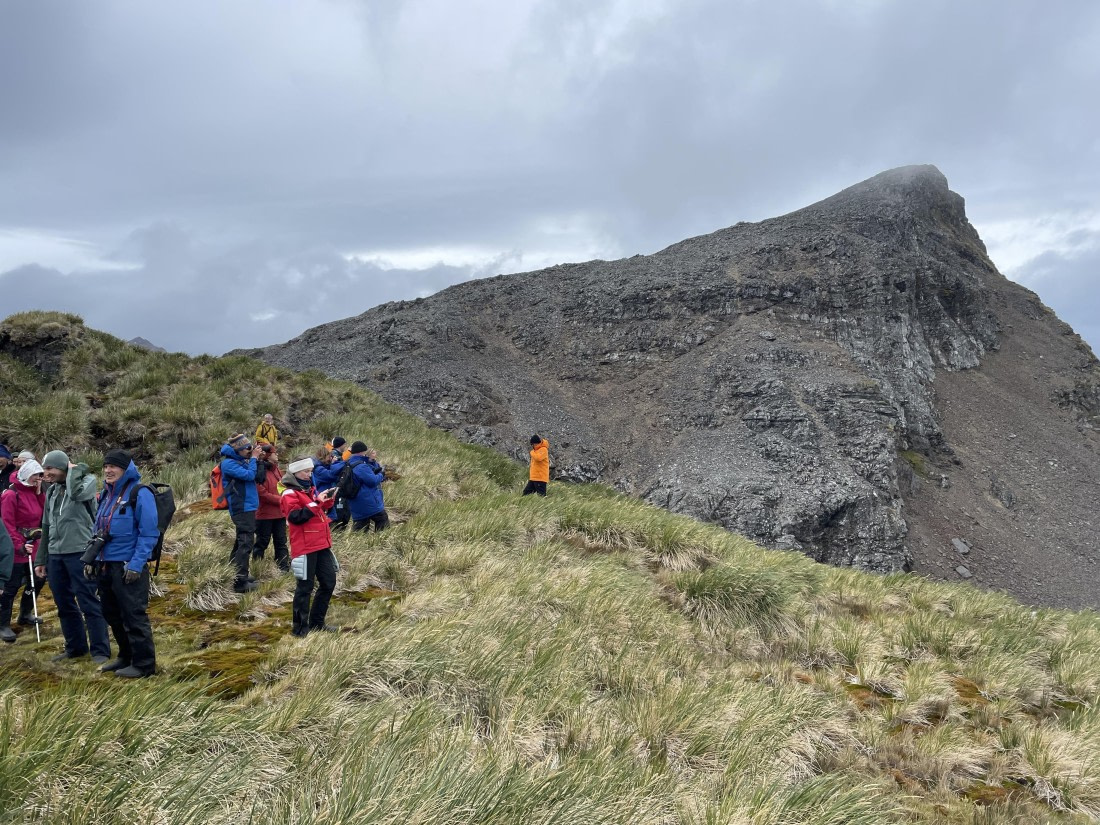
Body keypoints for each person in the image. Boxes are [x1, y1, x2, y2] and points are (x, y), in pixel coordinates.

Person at [35, 450, 111, 663]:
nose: (46, 473)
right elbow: (46, 526)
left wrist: (75, 470)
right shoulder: (51, 492)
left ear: (63, 467)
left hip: (80, 552)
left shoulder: (85, 481)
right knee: (64, 603)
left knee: (88, 601)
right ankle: (75, 648)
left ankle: (100, 651)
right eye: (44, 469)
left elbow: (77, 493)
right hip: (56, 555)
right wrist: (41, 559)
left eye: (50, 468)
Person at [87, 449, 158, 678]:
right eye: (105, 466)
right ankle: (125, 657)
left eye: (114, 466)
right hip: (105, 565)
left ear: (126, 468)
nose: (108, 470)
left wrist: (136, 565)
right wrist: (92, 559)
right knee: (112, 614)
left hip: (127, 565)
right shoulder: (105, 495)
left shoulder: (140, 493)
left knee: (133, 615)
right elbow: (98, 529)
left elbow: (149, 533)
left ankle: (144, 665)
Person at [280, 456, 340, 636]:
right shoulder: (289, 493)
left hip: (321, 544)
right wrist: (319, 502)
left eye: (310, 471)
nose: (309, 475)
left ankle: (316, 622)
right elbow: (296, 517)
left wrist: (327, 500)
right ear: (295, 472)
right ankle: (299, 629)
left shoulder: (308, 490)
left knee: (329, 582)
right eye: (306, 471)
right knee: (305, 587)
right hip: (305, 545)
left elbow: (316, 511)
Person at [0, 459, 47, 642]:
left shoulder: (36, 491)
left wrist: (39, 492)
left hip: (34, 543)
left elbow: (44, 513)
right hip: (16, 546)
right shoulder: (11, 495)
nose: (39, 478)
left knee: (38, 580)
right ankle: (3, 623)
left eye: (40, 475)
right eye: (36, 475)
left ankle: (25, 613)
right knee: (11, 586)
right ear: (27, 474)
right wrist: (18, 546)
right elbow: (6, 524)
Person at [219, 433, 264, 593]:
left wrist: (256, 460)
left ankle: (236, 573)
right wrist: (253, 459)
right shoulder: (228, 464)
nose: (249, 451)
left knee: (241, 541)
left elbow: (258, 477)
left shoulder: (240, 461)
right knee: (246, 542)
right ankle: (240, 581)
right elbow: (249, 475)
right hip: (241, 507)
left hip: (247, 506)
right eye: (246, 449)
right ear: (237, 450)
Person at [253, 443, 289, 571]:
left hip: (279, 513)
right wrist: (281, 500)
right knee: (262, 542)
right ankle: (257, 568)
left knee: (281, 541)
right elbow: (261, 493)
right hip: (265, 514)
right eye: (275, 453)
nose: (277, 454)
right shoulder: (259, 470)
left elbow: (282, 487)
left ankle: (284, 568)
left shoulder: (276, 469)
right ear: (268, 456)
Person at [345, 441, 388, 532]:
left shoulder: (348, 463)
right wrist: (381, 474)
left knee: (360, 528)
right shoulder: (361, 466)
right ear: (363, 451)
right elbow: (373, 481)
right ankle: (380, 543)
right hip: (367, 502)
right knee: (383, 520)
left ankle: (358, 545)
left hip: (354, 501)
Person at [312, 446, 348, 528]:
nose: (330, 458)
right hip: (323, 495)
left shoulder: (322, 466)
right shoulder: (318, 469)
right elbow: (331, 475)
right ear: (324, 456)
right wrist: (334, 464)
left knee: (332, 517)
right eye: (329, 456)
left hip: (328, 495)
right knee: (328, 518)